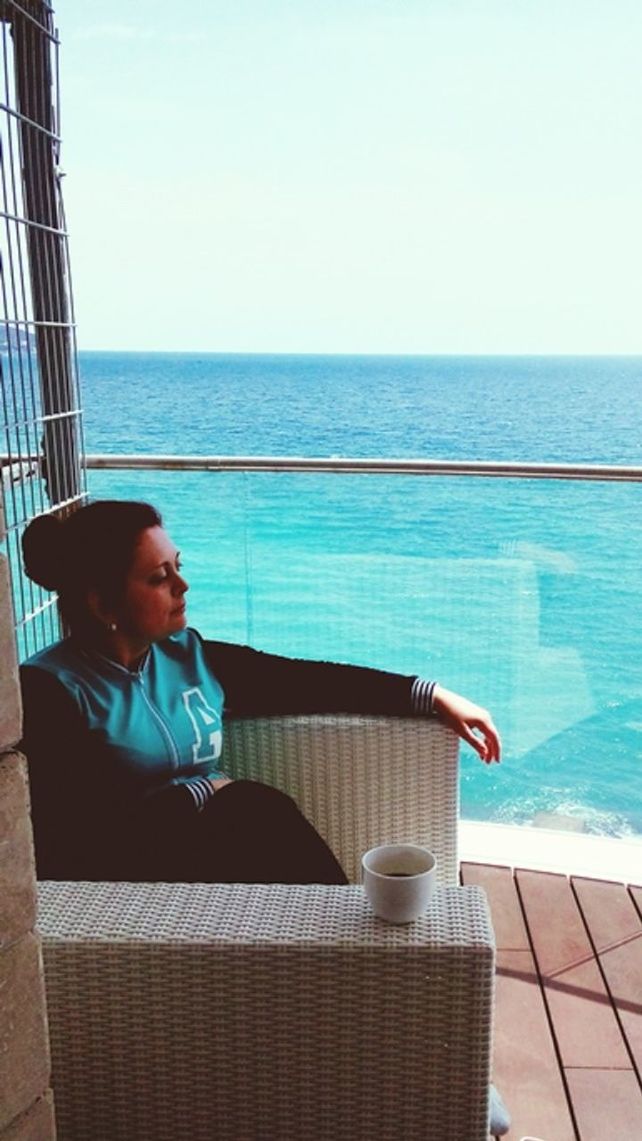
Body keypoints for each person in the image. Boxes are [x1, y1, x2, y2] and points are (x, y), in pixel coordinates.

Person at [19, 499, 501, 885]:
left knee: (255, 810)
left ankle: (345, 945)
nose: (182, 586)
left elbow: (306, 682)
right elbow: (79, 844)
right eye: (158, 578)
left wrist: (432, 696)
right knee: (250, 808)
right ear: (103, 603)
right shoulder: (51, 690)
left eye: (178, 567)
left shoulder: (188, 655)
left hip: (214, 856)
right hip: (135, 891)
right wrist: (205, 789)